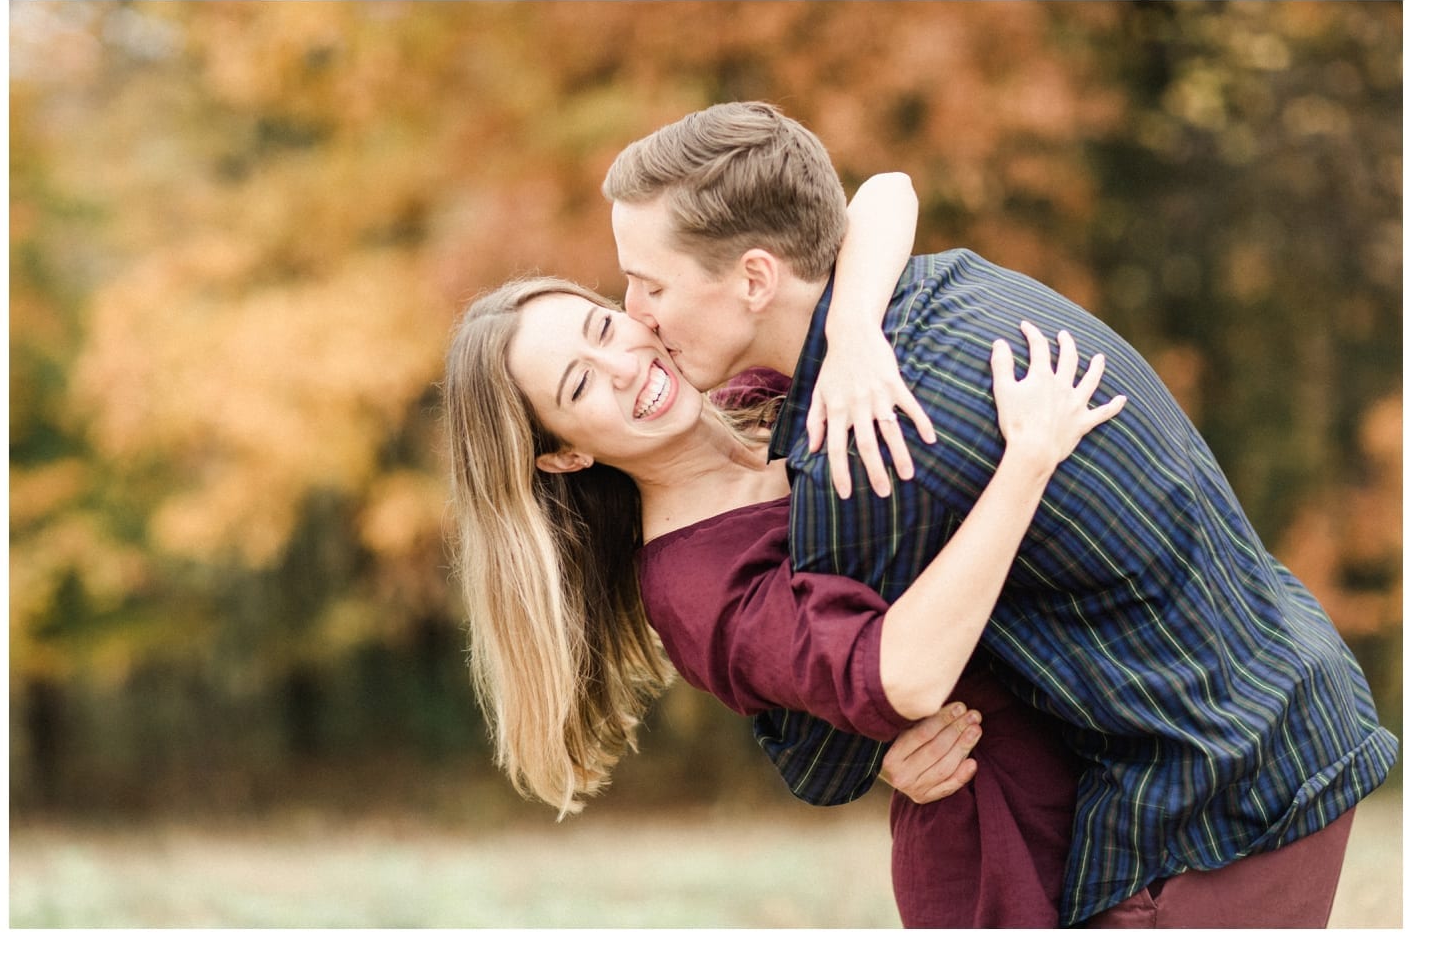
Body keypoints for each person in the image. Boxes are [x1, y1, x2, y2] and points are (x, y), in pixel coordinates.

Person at [599, 100, 1399, 928]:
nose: (635, 313)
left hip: (1219, 801)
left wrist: (873, 748)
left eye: (650, 283)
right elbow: (886, 193)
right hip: (1273, 702)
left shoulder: (867, 439)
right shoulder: (941, 288)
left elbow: (828, 751)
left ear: (756, 278)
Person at [446, 270, 1122, 926]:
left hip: (1087, 743)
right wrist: (1029, 460)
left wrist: (853, 328)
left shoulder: (762, 391)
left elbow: (884, 201)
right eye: (581, 383)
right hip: (1007, 853)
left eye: (602, 326)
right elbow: (899, 673)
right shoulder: (693, 587)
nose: (621, 365)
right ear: (564, 456)